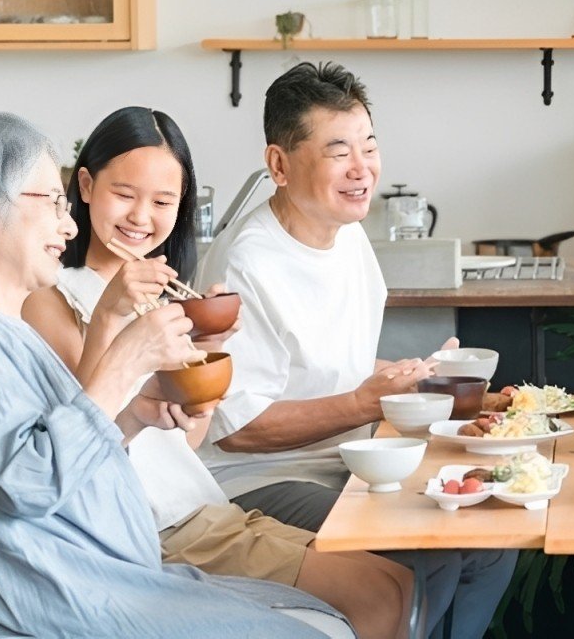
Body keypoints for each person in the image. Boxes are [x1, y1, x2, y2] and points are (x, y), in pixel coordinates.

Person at [0, 111, 341, 637]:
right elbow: (27, 484)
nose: (69, 223)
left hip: (111, 583)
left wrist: (133, 419)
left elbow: (53, 456)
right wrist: (125, 359)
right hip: (70, 602)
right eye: (51, 202)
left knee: (327, 616)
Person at [21, 106, 413, 639]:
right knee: (379, 592)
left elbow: (190, 436)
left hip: (202, 505)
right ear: (86, 186)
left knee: (395, 584)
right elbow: (91, 432)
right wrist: (111, 314)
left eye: (162, 202)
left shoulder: (161, 296)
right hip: (153, 526)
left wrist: (205, 349)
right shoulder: (52, 297)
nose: (141, 217)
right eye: (124, 194)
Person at [198, 62, 517, 639]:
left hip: (349, 462)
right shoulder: (246, 263)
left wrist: (432, 382)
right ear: (279, 165)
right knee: (426, 552)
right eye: (338, 150)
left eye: (369, 146)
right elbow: (235, 427)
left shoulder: (348, 239)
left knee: (491, 543)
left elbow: (336, 370)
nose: (361, 168)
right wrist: (368, 403)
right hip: (259, 479)